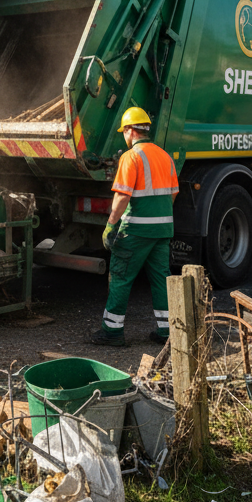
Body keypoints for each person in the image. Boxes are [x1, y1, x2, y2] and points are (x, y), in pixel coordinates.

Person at [91, 107, 179, 346]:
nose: (124, 135)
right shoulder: (165, 156)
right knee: (161, 279)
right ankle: (167, 332)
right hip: (162, 231)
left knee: (120, 276)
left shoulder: (131, 157)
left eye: (124, 131)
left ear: (130, 131)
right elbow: (172, 194)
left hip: (136, 231)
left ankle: (112, 331)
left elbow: (122, 197)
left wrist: (110, 225)